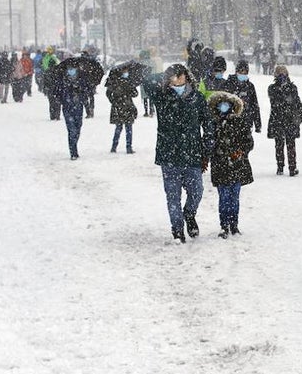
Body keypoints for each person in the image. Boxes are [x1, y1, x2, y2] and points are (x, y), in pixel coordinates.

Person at [145, 64, 215, 243]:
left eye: (181, 75)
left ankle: (189, 215)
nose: (178, 79)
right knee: (173, 196)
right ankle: (177, 229)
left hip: (192, 153)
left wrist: (207, 143)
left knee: (197, 191)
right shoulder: (161, 96)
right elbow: (146, 82)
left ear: (187, 76)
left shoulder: (196, 98)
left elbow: (207, 122)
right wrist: (165, 75)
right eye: (174, 76)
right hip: (168, 155)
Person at [207, 90, 255, 237]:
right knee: (224, 197)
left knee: (234, 196)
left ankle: (234, 224)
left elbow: (249, 142)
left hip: (237, 165)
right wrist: (214, 152)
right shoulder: (213, 123)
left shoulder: (240, 122)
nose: (224, 106)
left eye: (227, 104)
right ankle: (224, 225)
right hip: (220, 165)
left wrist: (240, 152)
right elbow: (208, 143)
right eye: (221, 104)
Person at [266, 65, 302, 176]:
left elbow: (297, 102)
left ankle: (292, 168)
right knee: (279, 144)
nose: (282, 75)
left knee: (291, 144)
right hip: (277, 119)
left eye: (284, 73)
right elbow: (275, 103)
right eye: (279, 73)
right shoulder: (272, 88)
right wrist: (284, 96)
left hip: (290, 119)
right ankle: (280, 167)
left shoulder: (293, 87)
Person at [106, 65, 140, 154]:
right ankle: (128, 147)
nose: (126, 73)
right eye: (125, 71)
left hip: (119, 108)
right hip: (127, 107)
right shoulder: (127, 82)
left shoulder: (114, 82)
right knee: (127, 128)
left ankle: (114, 146)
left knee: (119, 127)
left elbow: (108, 93)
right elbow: (135, 94)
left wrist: (114, 101)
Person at [60, 64, 89, 160]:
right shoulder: (63, 80)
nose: (71, 70)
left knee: (78, 128)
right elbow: (59, 94)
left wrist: (79, 90)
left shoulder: (81, 80)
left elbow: (85, 93)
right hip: (68, 108)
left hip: (78, 108)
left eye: (73, 69)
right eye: (69, 69)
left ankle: (74, 145)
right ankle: (73, 152)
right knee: (71, 130)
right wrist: (68, 92)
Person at [226, 60, 263, 134]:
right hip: (231, 121)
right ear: (236, 71)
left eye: (245, 72)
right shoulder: (228, 84)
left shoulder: (250, 86)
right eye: (241, 71)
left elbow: (255, 105)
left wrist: (257, 124)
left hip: (246, 122)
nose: (243, 74)